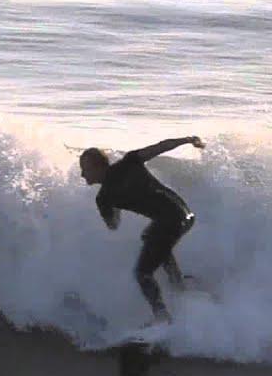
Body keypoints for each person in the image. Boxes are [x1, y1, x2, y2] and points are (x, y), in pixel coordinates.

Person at [79, 135, 205, 323]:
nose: (82, 174)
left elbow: (113, 225)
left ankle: (162, 317)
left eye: (85, 169)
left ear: (98, 167)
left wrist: (113, 209)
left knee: (143, 273)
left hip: (170, 220)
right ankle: (179, 285)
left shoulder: (104, 197)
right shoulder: (129, 162)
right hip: (185, 215)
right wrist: (188, 139)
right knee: (151, 237)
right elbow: (161, 146)